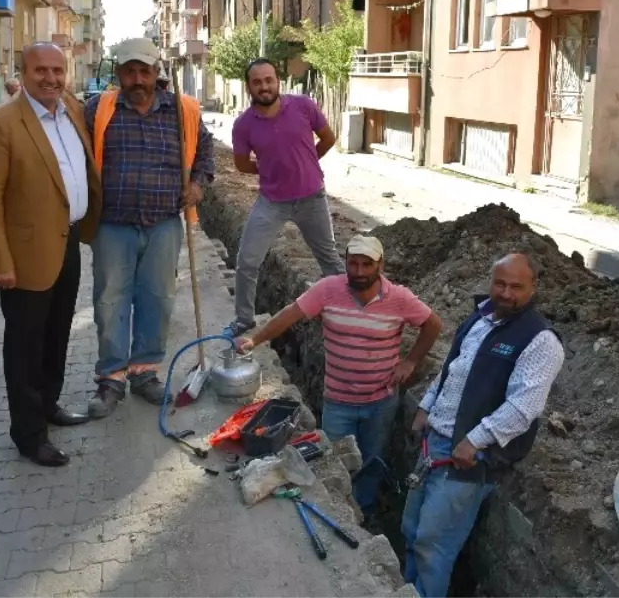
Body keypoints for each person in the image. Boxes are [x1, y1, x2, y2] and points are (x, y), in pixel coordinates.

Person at [235, 235, 442, 514]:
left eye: (366, 264)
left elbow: (433, 324)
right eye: (353, 263)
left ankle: (364, 513)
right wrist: (255, 341)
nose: (358, 271)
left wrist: (411, 362)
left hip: (380, 402)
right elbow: (289, 314)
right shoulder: (328, 290)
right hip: (338, 402)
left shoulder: (399, 298)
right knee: (333, 459)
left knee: (371, 461)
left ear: (380, 265)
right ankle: (340, 511)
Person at [402, 253, 564, 598]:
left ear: (533, 288)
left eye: (516, 287)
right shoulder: (481, 319)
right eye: (500, 283)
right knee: (411, 528)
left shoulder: (540, 341)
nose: (505, 293)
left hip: (466, 459)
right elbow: (452, 368)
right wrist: (426, 407)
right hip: (437, 441)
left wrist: (475, 440)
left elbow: (525, 406)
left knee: (433, 544)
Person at [0, 43, 101, 467]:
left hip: (67, 243)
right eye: (40, 70)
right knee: (25, 345)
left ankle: (49, 405)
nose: (51, 78)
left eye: (57, 70)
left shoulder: (71, 111)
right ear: (22, 73)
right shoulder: (0, 123)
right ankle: (28, 434)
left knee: (57, 333)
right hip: (25, 254)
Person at [83, 37, 215, 413]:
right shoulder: (99, 109)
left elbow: (204, 152)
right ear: (118, 73)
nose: (137, 79)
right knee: (110, 302)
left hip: (163, 224)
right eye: (130, 71)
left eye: (145, 71)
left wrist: (196, 185)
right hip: (113, 224)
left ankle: (144, 372)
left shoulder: (182, 111)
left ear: (157, 73)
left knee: (157, 299)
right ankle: (111, 378)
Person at [223, 59, 344, 337]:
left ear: (278, 81)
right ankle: (244, 320)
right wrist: (268, 167)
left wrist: (309, 160)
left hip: (312, 198)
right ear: (249, 87)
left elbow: (328, 138)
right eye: (257, 82)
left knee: (329, 260)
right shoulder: (243, 125)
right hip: (272, 202)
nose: (264, 86)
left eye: (269, 80)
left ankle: (346, 313)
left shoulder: (303, 106)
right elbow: (241, 164)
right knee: (247, 262)